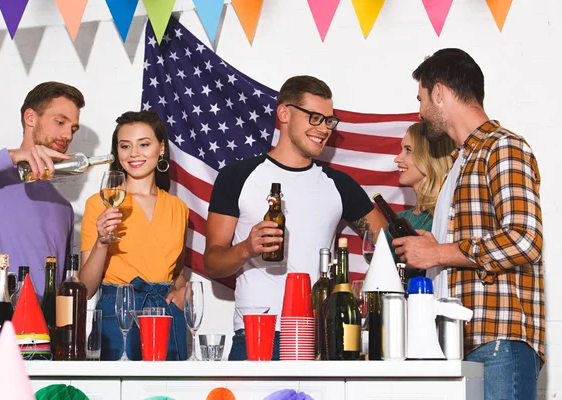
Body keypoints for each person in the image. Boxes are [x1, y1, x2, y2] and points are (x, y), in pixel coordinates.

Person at [392, 48, 544, 400]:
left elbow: (525, 240)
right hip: (465, 343)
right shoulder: (461, 162)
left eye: (422, 98)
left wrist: (439, 252)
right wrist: (434, 243)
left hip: (497, 342)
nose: (420, 110)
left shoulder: (503, 147)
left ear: (440, 92)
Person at [204, 75, 386, 360]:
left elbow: (388, 245)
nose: (323, 128)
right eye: (314, 117)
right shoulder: (237, 176)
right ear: (284, 113)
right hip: (258, 332)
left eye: (329, 121)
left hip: (321, 335)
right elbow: (212, 263)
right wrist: (247, 248)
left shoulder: (338, 184)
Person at [0, 82, 84, 308]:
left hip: (41, 336)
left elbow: (59, 287)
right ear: (30, 118)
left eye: (73, 129)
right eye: (60, 122)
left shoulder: (63, 208)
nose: (67, 135)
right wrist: (13, 155)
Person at [80, 111, 188, 361]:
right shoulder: (99, 204)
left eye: (144, 144)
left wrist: (184, 291)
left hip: (166, 315)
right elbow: (85, 288)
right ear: (117, 152)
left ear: (161, 148)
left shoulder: (178, 208)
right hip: (117, 315)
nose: (134, 153)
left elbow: (176, 273)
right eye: (125, 146)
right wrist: (102, 241)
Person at [386, 122, 455, 280]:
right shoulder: (395, 222)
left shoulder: (449, 218)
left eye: (408, 150)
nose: (397, 158)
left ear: (431, 157)